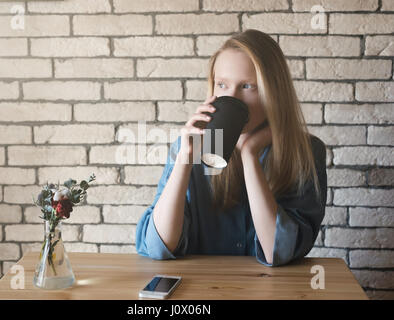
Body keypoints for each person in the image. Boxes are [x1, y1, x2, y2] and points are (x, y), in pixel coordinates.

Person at [135, 29, 327, 267]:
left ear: (273, 92)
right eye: (222, 85)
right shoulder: (190, 147)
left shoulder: (305, 153)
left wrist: (250, 156)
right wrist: (184, 159)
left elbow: (278, 252)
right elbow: (157, 247)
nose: (232, 97)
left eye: (247, 86)